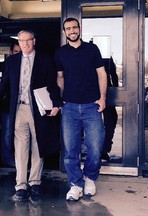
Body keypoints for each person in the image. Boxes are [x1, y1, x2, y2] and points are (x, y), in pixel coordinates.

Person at [0, 29, 62, 202]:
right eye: (21, 41)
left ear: (34, 41)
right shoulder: (12, 61)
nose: (25, 44)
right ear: (18, 43)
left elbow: (52, 84)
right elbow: (4, 84)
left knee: (37, 145)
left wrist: (57, 104)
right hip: (19, 110)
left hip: (38, 110)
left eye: (28, 40)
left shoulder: (45, 60)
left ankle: (35, 183)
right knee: (20, 148)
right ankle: (20, 185)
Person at [55, 17, 107, 201]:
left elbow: (102, 73)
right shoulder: (60, 53)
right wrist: (62, 99)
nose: (72, 31)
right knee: (70, 149)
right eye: (68, 29)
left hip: (91, 105)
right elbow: (59, 78)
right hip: (69, 107)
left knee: (95, 146)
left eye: (74, 27)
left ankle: (90, 178)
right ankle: (76, 184)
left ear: (79, 29)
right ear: (65, 32)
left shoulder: (92, 49)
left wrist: (102, 98)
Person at [0, 40, 21, 167]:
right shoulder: (6, 65)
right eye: (16, 51)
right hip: (8, 104)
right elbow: (3, 85)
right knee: (7, 133)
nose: (18, 54)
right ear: (11, 52)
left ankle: (22, 160)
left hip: (24, 105)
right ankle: (7, 159)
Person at [101, 57, 118, 161]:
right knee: (110, 120)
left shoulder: (107, 56)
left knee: (111, 119)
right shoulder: (90, 52)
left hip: (107, 90)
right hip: (100, 90)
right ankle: (103, 149)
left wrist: (115, 90)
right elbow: (113, 74)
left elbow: (113, 73)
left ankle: (104, 149)